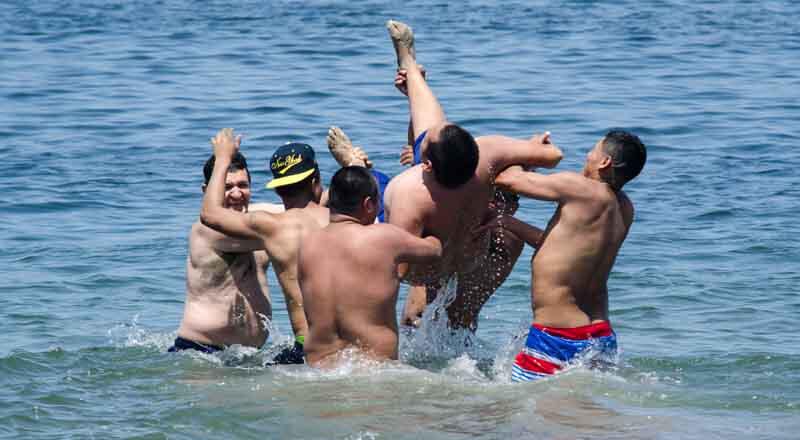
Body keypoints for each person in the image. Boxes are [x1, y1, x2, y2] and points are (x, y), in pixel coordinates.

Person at [384, 20, 563, 330]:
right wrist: (530, 151)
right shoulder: (487, 158)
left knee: (417, 319)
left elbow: (395, 270)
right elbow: (553, 155)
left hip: (426, 266)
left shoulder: (412, 193)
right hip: (468, 252)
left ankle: (411, 73)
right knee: (461, 320)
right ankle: (412, 77)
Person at [493, 130, 647, 381]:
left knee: (520, 412)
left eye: (592, 150)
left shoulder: (579, 188)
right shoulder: (624, 207)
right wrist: (505, 222)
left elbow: (506, 179)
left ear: (604, 162)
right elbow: (561, 250)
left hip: (557, 337)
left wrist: (530, 150)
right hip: (600, 336)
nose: (587, 156)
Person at [200, 128, 329, 363]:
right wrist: (354, 166)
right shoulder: (344, 220)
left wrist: (222, 159)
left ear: (278, 189)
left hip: (307, 346)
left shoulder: (273, 228)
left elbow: (209, 214)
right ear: (316, 181)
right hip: (354, 346)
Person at [298, 167, 442, 367]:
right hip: (374, 371)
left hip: (317, 370)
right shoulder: (384, 237)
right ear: (368, 205)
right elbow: (434, 250)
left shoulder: (307, 245)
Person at [171, 151, 283, 353]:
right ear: (208, 191)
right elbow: (299, 224)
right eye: (227, 187)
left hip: (249, 355)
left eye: (243, 185)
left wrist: (353, 167)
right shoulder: (206, 231)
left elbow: (308, 209)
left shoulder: (258, 220)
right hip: (201, 352)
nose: (237, 194)